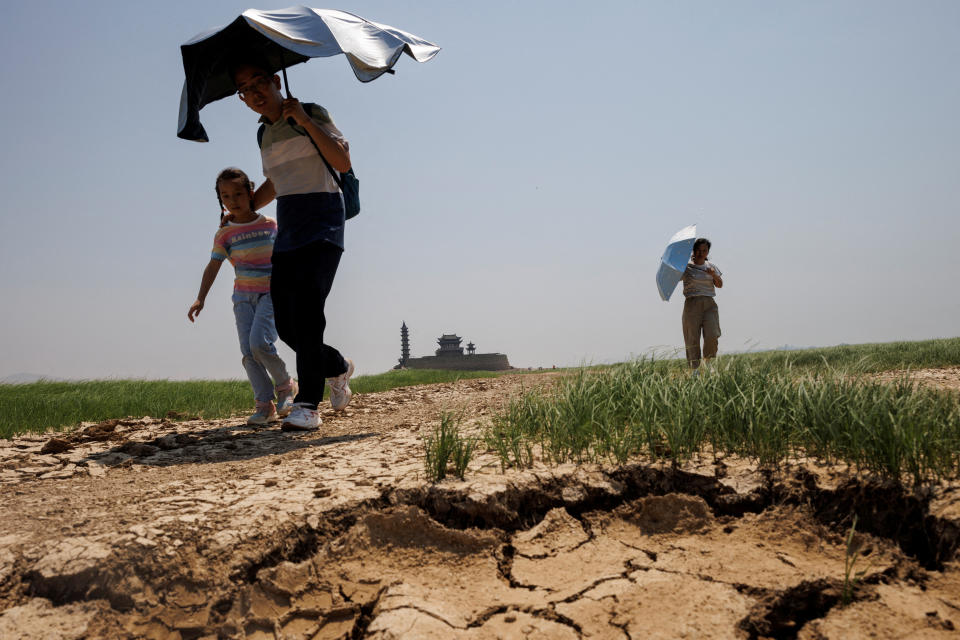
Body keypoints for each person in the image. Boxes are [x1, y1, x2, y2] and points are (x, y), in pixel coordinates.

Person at [230, 58, 354, 432]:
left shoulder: (311, 112)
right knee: (286, 325)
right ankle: (337, 366)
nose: (254, 95)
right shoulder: (262, 134)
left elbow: (342, 161)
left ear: (274, 81)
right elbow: (275, 182)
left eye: (258, 84)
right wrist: (242, 209)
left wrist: (305, 120)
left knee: (310, 314)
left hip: (323, 224)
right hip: (288, 233)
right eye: (245, 91)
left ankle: (308, 405)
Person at [188, 167, 297, 425]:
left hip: (271, 294)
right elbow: (213, 265)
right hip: (242, 298)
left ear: (250, 193)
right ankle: (264, 405)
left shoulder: (270, 225)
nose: (232, 200)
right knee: (248, 351)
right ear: (220, 200)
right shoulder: (224, 234)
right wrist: (200, 298)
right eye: (225, 196)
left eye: (238, 193)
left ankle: (286, 387)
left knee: (260, 343)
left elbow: (289, 255)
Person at [681, 238, 723, 371]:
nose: (701, 253)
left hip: (709, 303)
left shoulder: (711, 266)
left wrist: (713, 275)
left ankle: (709, 364)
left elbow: (720, 284)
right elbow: (675, 278)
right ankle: (695, 371)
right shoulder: (686, 267)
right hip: (692, 303)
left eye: (704, 250)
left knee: (712, 334)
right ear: (693, 251)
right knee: (692, 338)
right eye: (698, 250)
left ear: (708, 252)